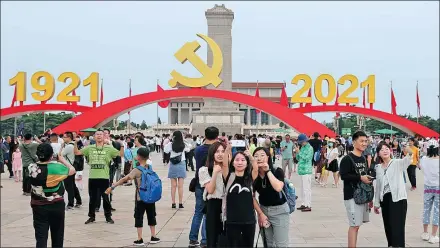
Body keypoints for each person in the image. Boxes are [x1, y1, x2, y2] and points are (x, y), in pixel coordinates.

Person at [105, 147, 161, 246]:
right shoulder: (149, 167)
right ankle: (153, 236)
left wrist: (112, 187)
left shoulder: (137, 170)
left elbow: (124, 179)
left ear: (138, 157)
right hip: (151, 198)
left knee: (138, 217)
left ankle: (140, 239)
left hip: (140, 198)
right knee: (151, 216)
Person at [29, 143, 76, 248]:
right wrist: (62, 159)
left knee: (41, 236)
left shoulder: (31, 167)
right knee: (57, 235)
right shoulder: (57, 167)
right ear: (51, 155)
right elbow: (72, 170)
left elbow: (40, 165)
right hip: (56, 205)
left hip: (38, 206)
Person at [74, 129, 123, 224]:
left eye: (101, 134)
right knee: (92, 198)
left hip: (104, 177)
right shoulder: (89, 148)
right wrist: (75, 143)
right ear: (94, 137)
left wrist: (121, 144)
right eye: (97, 134)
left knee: (105, 198)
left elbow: (120, 154)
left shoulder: (109, 148)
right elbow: (77, 153)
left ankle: (108, 217)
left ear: (104, 136)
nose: (99, 136)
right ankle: (91, 217)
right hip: (92, 177)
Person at [373, 141, 413, 247]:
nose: (385, 151)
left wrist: (408, 151)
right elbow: (378, 187)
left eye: (386, 149)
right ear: (378, 153)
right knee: (388, 225)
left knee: (397, 226)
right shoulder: (378, 168)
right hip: (385, 200)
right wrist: (376, 203)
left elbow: (408, 160)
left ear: (390, 151)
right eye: (382, 149)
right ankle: (391, 245)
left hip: (398, 199)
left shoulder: (397, 163)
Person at [340, 131, 373, 248]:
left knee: (357, 225)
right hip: (351, 196)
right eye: (361, 141)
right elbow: (343, 176)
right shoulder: (347, 159)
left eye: (366, 141)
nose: (364, 144)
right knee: (354, 225)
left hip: (362, 196)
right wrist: (360, 178)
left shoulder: (363, 158)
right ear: (354, 142)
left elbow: (364, 175)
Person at [221, 146, 258, 247]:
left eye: (243, 160)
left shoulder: (250, 178)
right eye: (237, 160)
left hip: (249, 220)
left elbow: (256, 168)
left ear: (247, 163)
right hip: (232, 220)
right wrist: (227, 150)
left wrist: (250, 156)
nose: (240, 162)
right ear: (233, 163)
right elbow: (224, 165)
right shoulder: (229, 177)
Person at [252, 147, 289, 247]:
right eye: (256, 156)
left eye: (262, 155)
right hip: (263, 211)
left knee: (281, 244)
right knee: (268, 244)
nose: (259, 158)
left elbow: (278, 187)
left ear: (268, 157)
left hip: (280, 211)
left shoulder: (277, 171)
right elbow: (251, 196)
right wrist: (260, 214)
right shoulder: (253, 175)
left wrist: (267, 171)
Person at [188, 127, 218, 247]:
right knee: (208, 212)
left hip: (199, 182)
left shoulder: (198, 149)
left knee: (198, 211)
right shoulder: (216, 149)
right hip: (212, 182)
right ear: (217, 136)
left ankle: (193, 238)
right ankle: (205, 240)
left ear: (205, 135)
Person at [198, 142, 226, 247]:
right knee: (212, 237)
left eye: (223, 151)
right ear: (212, 154)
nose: (220, 154)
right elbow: (210, 190)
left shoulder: (229, 170)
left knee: (226, 237)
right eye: (217, 152)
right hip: (213, 204)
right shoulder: (204, 170)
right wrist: (214, 173)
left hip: (228, 205)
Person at [420, 140, 440, 244]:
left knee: (426, 209)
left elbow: (422, 170)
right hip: (438, 187)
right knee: (437, 211)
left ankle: (425, 233)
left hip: (428, 186)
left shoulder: (424, 159)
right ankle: (433, 235)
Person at [164, 131, 190, 209]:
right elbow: (189, 148)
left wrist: (170, 139)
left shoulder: (171, 144)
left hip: (173, 164)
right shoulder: (183, 144)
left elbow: (165, 150)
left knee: (173, 186)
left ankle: (173, 203)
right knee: (180, 186)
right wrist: (184, 140)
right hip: (181, 164)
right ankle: (181, 203)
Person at [61, 132, 82, 209]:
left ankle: (70, 203)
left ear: (69, 137)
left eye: (64, 137)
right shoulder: (73, 145)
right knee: (72, 185)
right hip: (73, 167)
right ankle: (78, 201)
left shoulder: (69, 146)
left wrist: (61, 147)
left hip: (68, 168)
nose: (63, 138)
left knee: (69, 186)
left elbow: (60, 155)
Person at [295, 133, 314, 212]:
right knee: (302, 189)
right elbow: (298, 158)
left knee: (307, 189)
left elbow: (307, 158)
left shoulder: (310, 148)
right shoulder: (302, 147)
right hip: (301, 170)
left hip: (307, 170)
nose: (301, 143)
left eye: (302, 142)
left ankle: (308, 205)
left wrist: (299, 152)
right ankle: (303, 203)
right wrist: (297, 153)